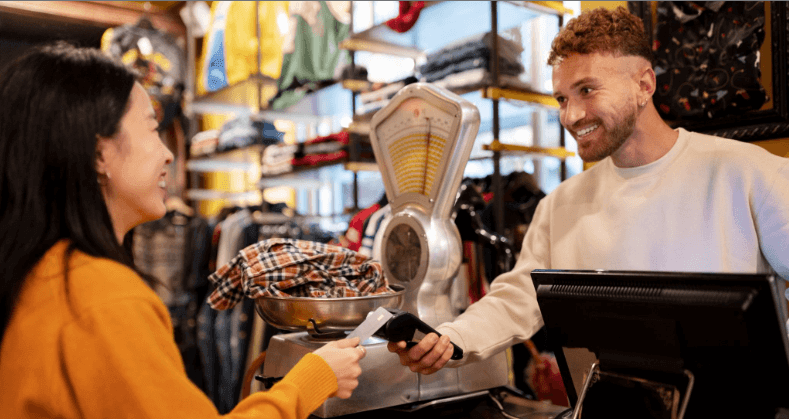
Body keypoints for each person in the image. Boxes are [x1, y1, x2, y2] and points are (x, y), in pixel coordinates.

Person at [389, 6, 789, 375]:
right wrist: (451, 340)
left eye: (587, 90)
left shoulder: (750, 173)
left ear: (644, 84)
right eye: (562, 98)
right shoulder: (560, 204)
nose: (570, 115)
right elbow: (516, 299)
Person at [0, 42, 365, 418]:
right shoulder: (102, 297)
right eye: (152, 129)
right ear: (98, 154)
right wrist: (311, 381)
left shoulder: (37, 276)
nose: (169, 154)